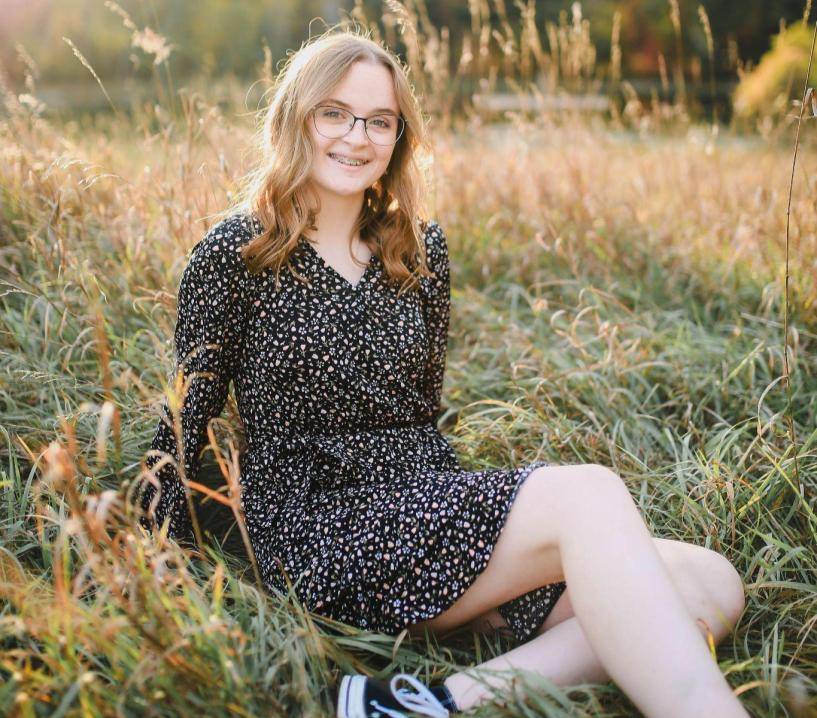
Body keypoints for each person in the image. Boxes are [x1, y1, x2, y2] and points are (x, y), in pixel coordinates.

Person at [137, 27, 750, 718]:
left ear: (398, 136)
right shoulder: (236, 252)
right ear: (295, 118)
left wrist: (474, 523)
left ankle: (415, 703)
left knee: (707, 582)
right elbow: (184, 418)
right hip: (319, 529)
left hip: (425, 505)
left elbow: (422, 410)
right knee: (586, 497)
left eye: (379, 120)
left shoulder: (418, 247)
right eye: (333, 113)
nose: (355, 136)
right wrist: (158, 572)